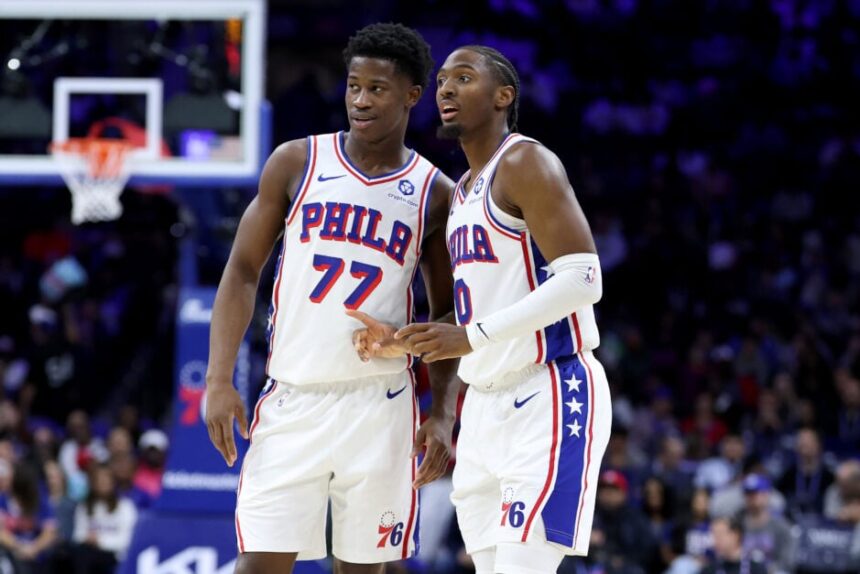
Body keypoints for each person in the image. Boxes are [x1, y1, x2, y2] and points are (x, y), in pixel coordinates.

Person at [204, 23, 459, 574]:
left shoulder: (435, 192)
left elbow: (446, 315)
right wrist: (218, 380)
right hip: (293, 396)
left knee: (363, 570)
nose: (361, 101)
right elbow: (243, 269)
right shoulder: (297, 162)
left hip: (380, 403)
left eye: (377, 89)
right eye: (353, 86)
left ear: (413, 95)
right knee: (258, 565)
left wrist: (442, 414)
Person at [354, 45, 612, 574]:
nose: (446, 89)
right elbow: (480, 314)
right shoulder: (465, 192)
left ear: (503, 96)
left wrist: (471, 338)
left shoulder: (524, 161)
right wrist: (401, 338)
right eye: (443, 80)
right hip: (485, 408)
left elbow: (585, 278)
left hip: (548, 390)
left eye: (464, 78)